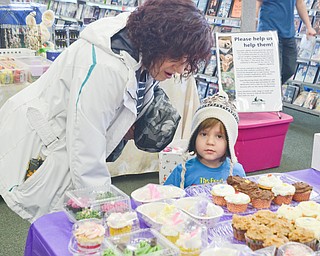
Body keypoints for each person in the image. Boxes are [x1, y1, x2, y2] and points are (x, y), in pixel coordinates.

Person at [0, 0, 213, 221]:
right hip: (39, 143)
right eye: (176, 58)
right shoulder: (104, 67)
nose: (180, 69)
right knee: (52, 224)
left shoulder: (142, 46)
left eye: (187, 61)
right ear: (159, 42)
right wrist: (105, 212)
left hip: (65, 144)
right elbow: (85, 149)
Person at [164, 92, 245, 189]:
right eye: (204, 134)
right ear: (194, 136)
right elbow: (165, 199)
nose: (210, 142)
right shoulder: (183, 171)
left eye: (219, 136)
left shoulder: (236, 172)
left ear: (229, 142)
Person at [256, 0, 316, 85]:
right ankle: (273, 93)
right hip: (269, 33)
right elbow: (257, 3)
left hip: (288, 34)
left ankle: (273, 90)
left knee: (290, 69)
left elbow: (300, 3)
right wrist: (250, 27)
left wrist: (309, 26)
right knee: (274, 71)